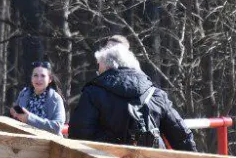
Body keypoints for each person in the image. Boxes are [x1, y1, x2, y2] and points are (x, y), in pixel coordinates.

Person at [69, 44, 197, 151]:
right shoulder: (156, 93)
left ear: (108, 67)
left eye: (99, 67)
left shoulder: (93, 92)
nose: (98, 72)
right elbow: (182, 137)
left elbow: (79, 134)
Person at [10, 61, 67, 135]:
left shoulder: (55, 99)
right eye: (35, 75)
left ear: (50, 79)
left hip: (47, 143)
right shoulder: (24, 93)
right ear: (31, 78)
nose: (38, 79)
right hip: (22, 140)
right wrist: (14, 114)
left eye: (43, 76)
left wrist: (30, 119)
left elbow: (57, 127)